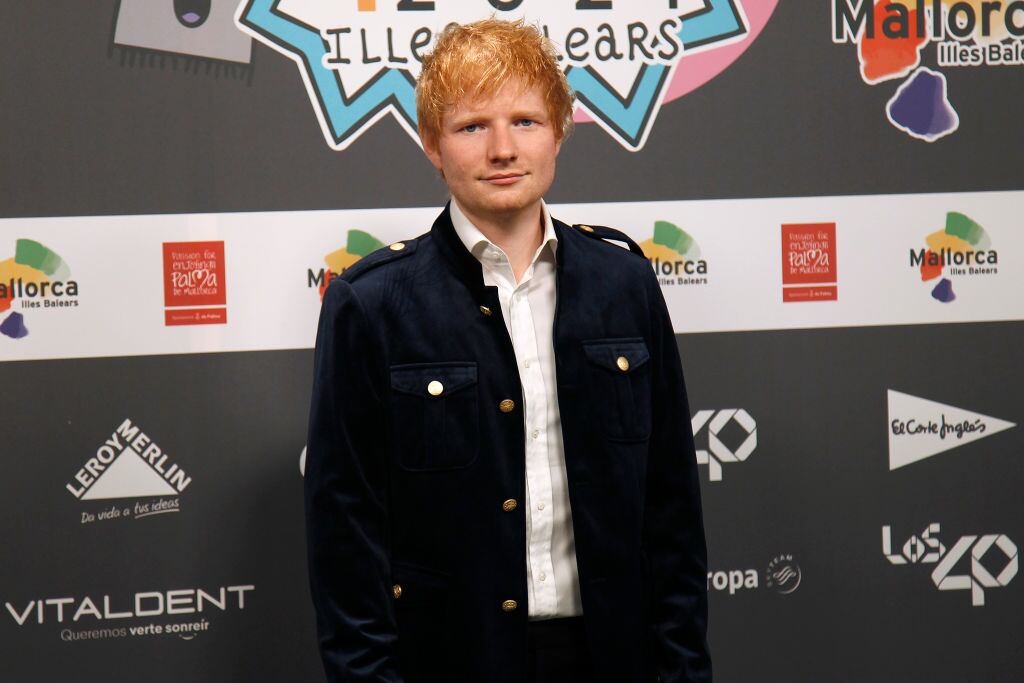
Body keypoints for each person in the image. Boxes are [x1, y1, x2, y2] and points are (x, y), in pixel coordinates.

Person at [305, 17, 711, 683]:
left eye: (525, 120)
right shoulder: (371, 304)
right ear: (432, 144)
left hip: (614, 659)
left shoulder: (625, 283)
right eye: (472, 127)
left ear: (560, 131)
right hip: (450, 661)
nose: (502, 148)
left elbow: (672, 518)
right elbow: (345, 542)